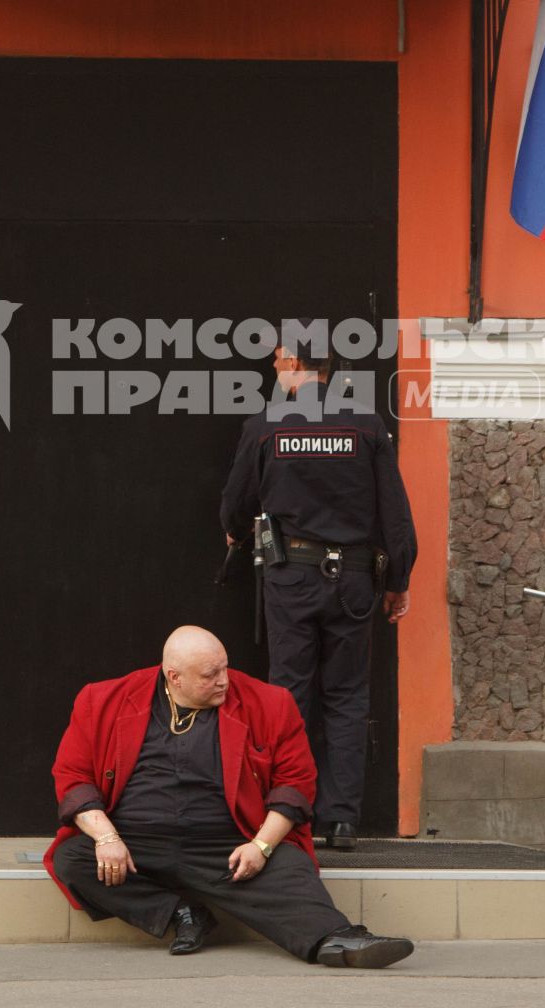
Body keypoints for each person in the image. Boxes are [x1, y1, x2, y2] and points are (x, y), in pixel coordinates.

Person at [45, 626, 414, 968]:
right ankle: (182, 913)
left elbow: (295, 784)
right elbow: (73, 776)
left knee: (289, 867)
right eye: (210, 676)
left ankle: (338, 940)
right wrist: (107, 837)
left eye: (225, 668)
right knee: (72, 858)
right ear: (173, 677)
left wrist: (261, 846)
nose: (224, 681)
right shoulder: (105, 700)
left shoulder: (269, 703)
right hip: (136, 844)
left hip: (227, 845)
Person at [218, 325, 418, 849]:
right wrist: (398, 579)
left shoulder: (266, 425)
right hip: (353, 580)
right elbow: (394, 513)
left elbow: (236, 503)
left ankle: (291, 813)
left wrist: (236, 529)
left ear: (290, 363)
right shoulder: (368, 425)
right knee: (348, 695)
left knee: (288, 694)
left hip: (292, 577)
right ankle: (343, 819)